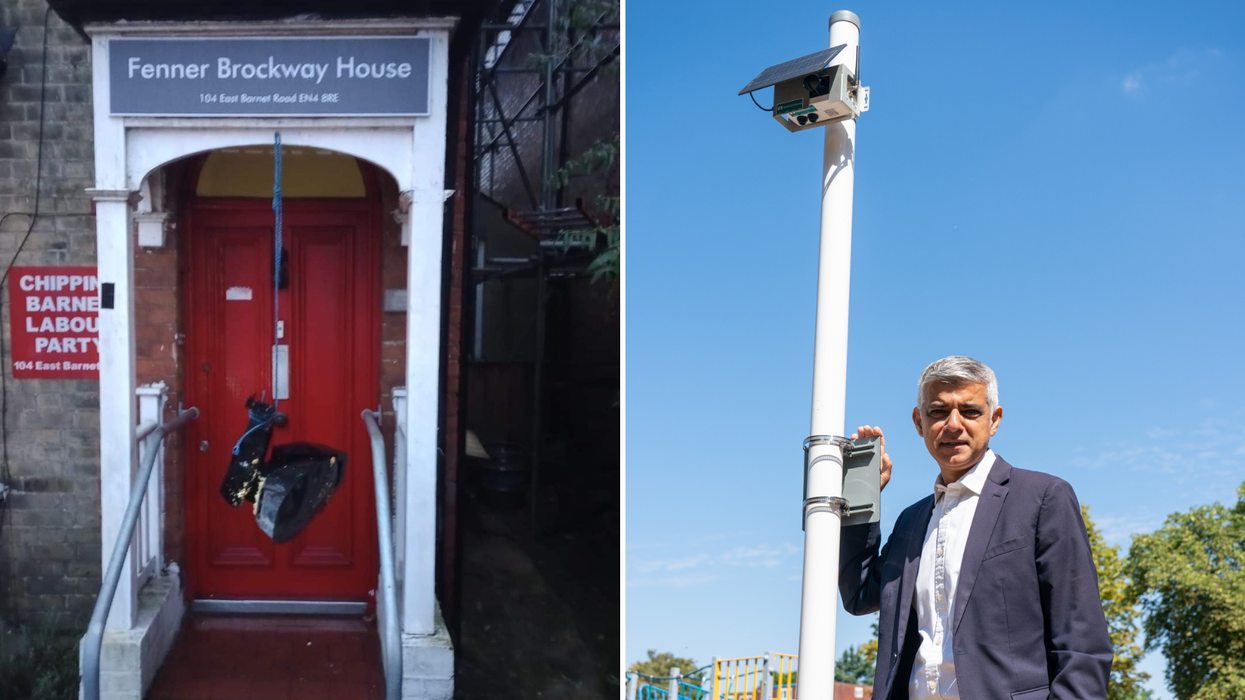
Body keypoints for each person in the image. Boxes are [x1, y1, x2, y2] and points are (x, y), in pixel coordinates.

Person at [838, 356, 1111, 700]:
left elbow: (1082, 643)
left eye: (970, 411)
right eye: (938, 411)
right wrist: (862, 494)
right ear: (919, 422)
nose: (953, 425)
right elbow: (859, 593)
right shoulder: (912, 520)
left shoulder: (1043, 498)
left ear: (994, 420)